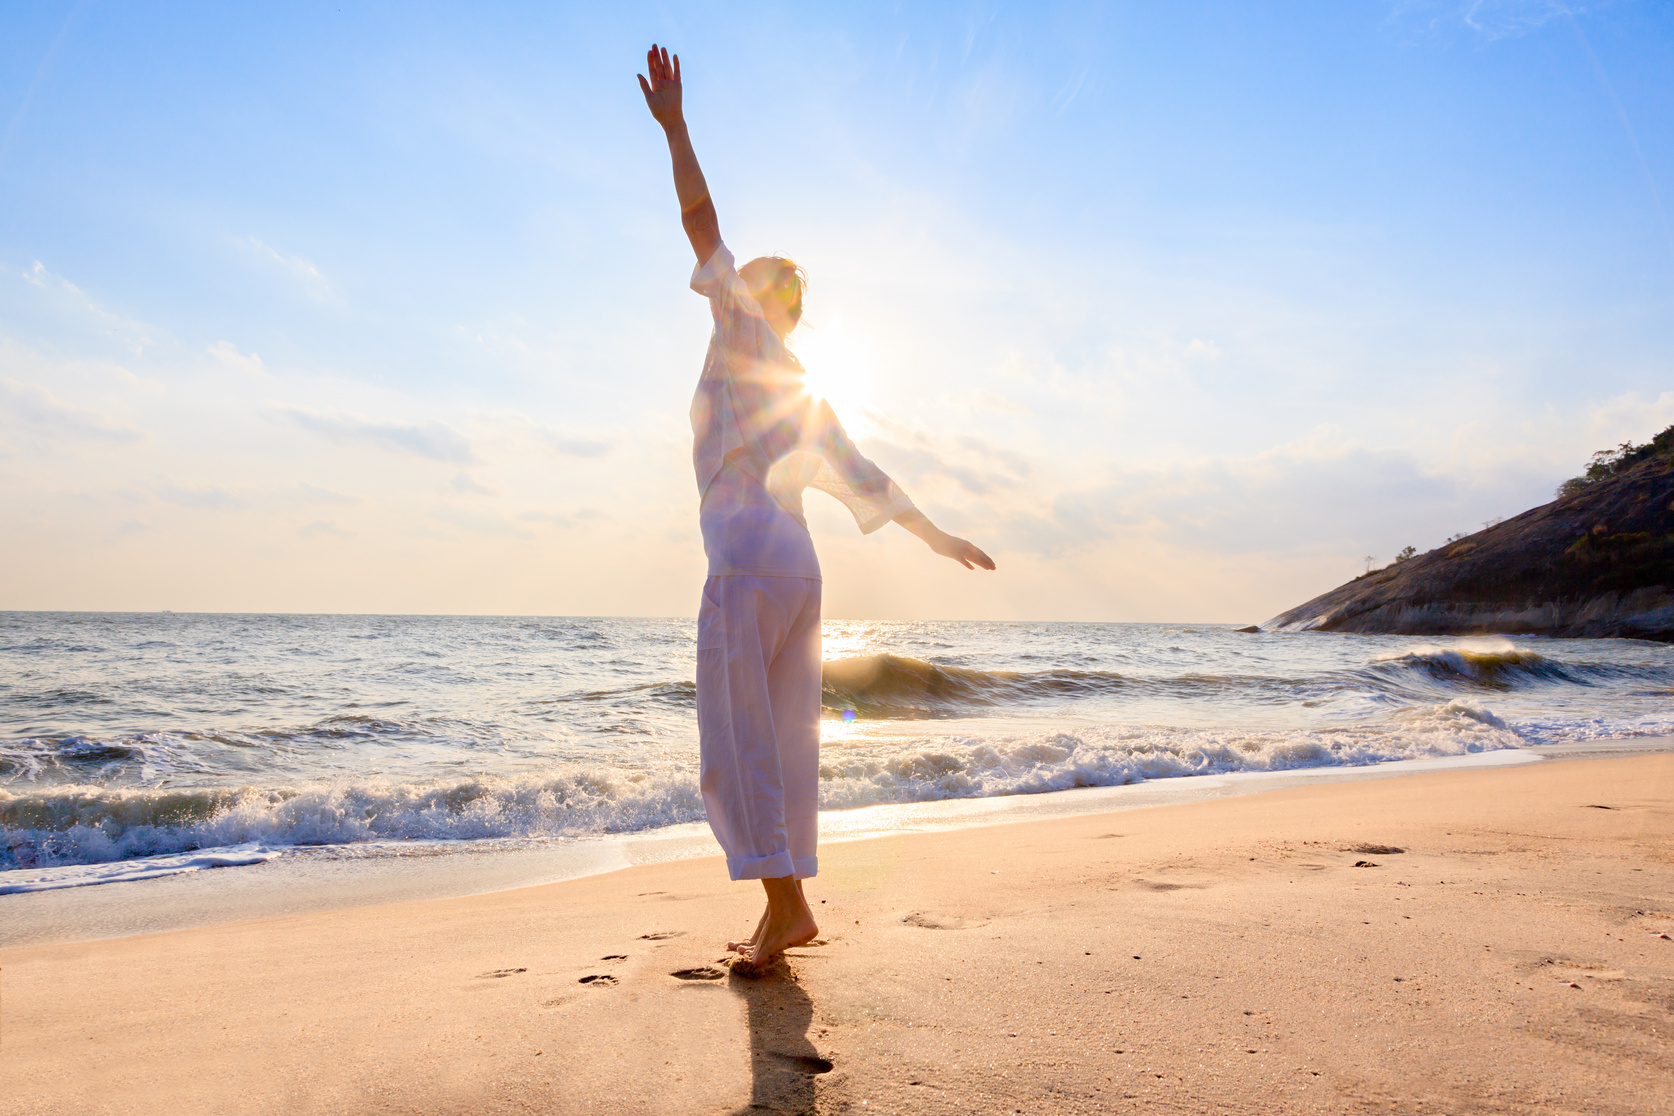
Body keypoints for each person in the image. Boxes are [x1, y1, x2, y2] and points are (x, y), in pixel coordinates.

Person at [638, 44, 995, 971]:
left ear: (758, 299)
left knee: (739, 737)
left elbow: (697, 217)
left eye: (743, 273)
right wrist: (939, 537)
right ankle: (777, 914)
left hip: (750, 560)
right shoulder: (806, 385)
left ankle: (786, 906)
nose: (728, 276)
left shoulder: (740, 326)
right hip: (799, 566)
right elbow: (868, 480)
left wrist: (676, 128)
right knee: (787, 738)